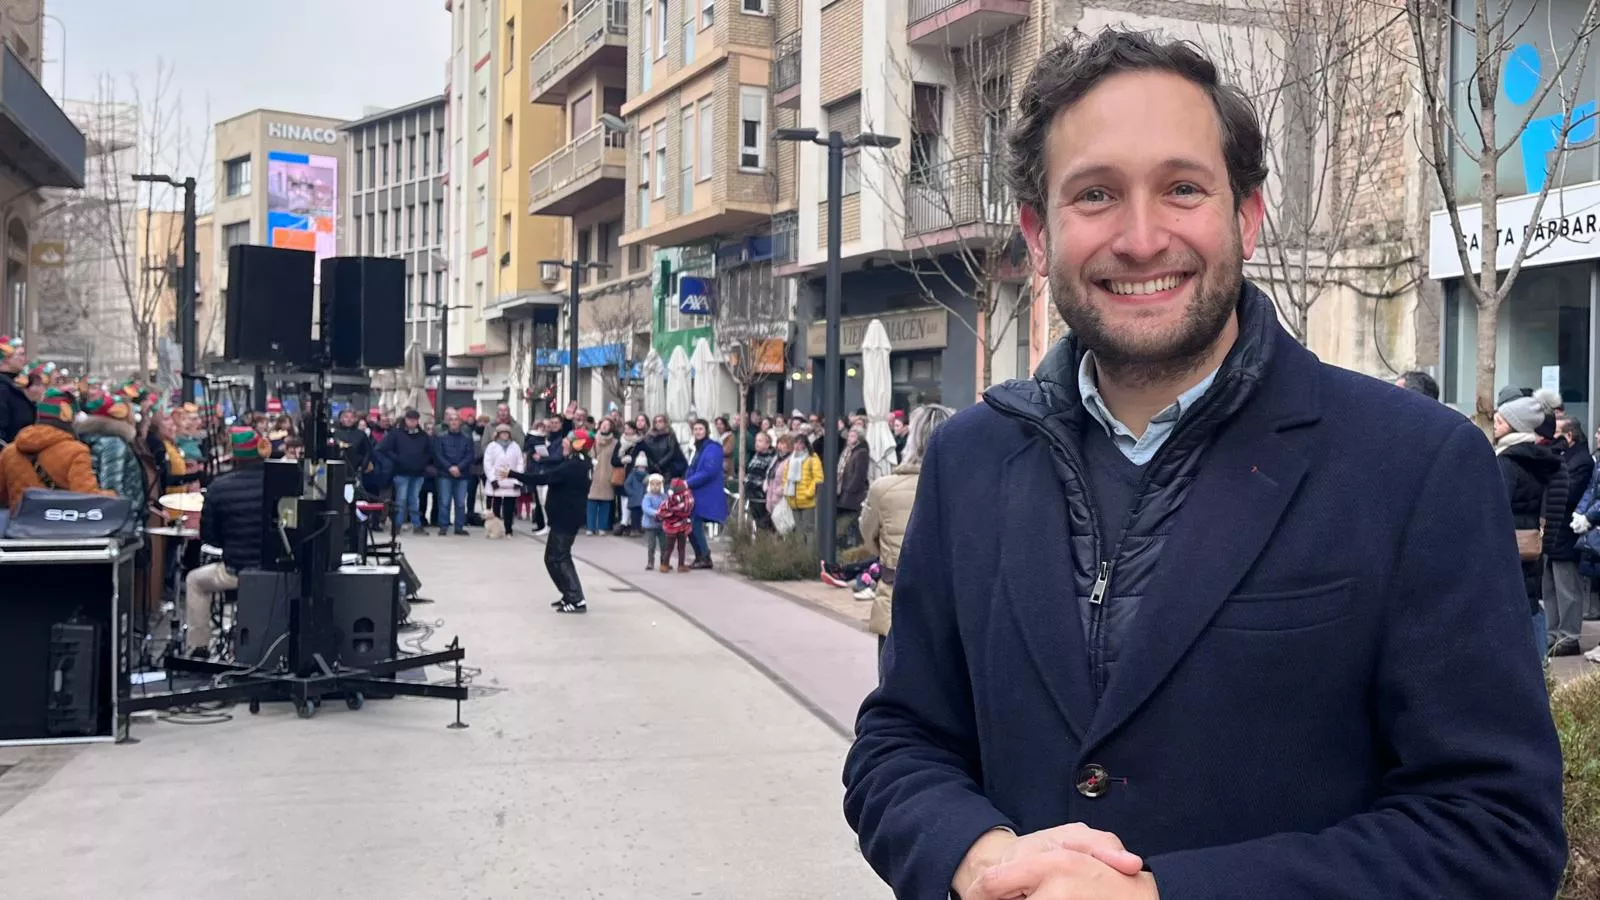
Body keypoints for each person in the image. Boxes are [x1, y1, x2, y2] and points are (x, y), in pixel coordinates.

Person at [843, 29, 1564, 900]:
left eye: (1182, 188)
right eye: (1096, 195)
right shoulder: (972, 459)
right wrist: (985, 858)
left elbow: (1494, 830)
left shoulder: (1414, 467)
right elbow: (902, 740)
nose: (1142, 238)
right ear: (1039, 232)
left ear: (1246, 215)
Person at [858, 404, 954, 674]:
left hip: (895, 601)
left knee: (892, 694)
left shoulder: (883, 489)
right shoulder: (967, 488)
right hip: (951, 609)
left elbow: (868, 538)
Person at [184, 427, 269, 657]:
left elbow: (209, 537)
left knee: (194, 581)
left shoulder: (218, 487)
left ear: (234, 455)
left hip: (236, 571)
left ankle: (198, 648)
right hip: (276, 571)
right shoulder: (284, 481)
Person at [510, 429, 594, 613]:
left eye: (567, 440)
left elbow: (543, 478)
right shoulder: (579, 463)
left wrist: (513, 474)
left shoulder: (573, 466)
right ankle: (569, 594)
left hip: (566, 518)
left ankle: (576, 599)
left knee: (559, 558)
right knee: (553, 558)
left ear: (576, 445)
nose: (563, 443)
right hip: (563, 517)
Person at [0, 387, 103, 511]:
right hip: (58, 527)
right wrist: (113, 496)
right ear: (66, 416)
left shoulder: (10, 451)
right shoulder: (76, 451)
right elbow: (87, 499)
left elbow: (2, 497)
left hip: (19, 527)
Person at [1550, 413, 1593, 656]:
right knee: (1551, 588)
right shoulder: (1562, 457)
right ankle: (1554, 632)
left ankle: (1569, 636)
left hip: (1567, 533)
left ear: (1569, 436)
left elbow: (1569, 493)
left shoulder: (1582, 461)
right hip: (1554, 533)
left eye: (1556, 434)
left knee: (1567, 588)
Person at [76, 396, 147, 513]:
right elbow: (112, 489)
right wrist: (127, 512)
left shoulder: (90, 439)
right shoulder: (113, 444)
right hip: (120, 518)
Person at [376, 409, 433, 534]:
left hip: (418, 473)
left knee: (414, 500)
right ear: (405, 420)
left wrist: (423, 462)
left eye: (414, 420)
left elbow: (429, 452)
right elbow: (382, 448)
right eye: (410, 420)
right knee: (401, 500)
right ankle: (397, 525)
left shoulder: (423, 436)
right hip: (401, 472)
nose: (412, 422)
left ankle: (417, 525)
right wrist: (398, 459)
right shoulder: (396, 433)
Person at [683, 418, 725, 568]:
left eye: (701, 429)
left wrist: (688, 482)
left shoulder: (712, 448)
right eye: (695, 429)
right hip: (696, 492)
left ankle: (704, 557)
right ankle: (700, 556)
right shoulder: (698, 448)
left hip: (706, 493)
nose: (698, 432)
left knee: (693, 523)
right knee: (689, 524)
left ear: (707, 431)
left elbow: (708, 471)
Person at [432, 408, 475, 536]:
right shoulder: (441, 438)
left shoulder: (467, 438)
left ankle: (459, 527)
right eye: (451, 420)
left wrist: (459, 468)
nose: (454, 422)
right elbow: (438, 455)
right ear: (447, 422)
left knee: (460, 502)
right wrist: (450, 467)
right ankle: (443, 526)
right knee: (444, 501)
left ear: (460, 422)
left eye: (456, 420)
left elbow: (470, 455)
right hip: (445, 474)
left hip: (462, 474)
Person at [483, 421, 524, 536]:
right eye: (502, 433)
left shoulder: (515, 446)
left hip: (511, 480)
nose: (505, 435)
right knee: (496, 505)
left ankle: (508, 529)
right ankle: (496, 528)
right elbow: (487, 463)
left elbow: (520, 463)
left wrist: (518, 479)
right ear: (497, 434)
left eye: (507, 433)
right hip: (496, 480)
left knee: (509, 507)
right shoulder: (492, 446)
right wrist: (492, 480)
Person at [0, 336, 34, 444]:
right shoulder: (3, 388)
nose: (25, 359)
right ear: (6, 358)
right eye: (21, 354)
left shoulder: (12, 386)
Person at [657, 476, 695, 573]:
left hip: (674, 525)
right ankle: (671, 565)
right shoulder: (685, 496)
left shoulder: (671, 499)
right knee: (676, 547)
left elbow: (665, 511)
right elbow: (687, 507)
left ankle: (671, 565)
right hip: (679, 525)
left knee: (671, 547)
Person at [641, 472, 666, 570]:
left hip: (662, 525)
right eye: (653, 484)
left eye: (658, 484)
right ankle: (650, 562)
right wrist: (657, 513)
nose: (655, 487)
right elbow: (646, 508)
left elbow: (667, 506)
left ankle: (664, 562)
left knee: (664, 545)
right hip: (651, 525)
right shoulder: (647, 497)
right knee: (651, 545)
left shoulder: (664, 497)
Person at [622, 453, 648, 539]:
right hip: (634, 499)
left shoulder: (646, 477)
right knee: (634, 516)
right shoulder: (632, 475)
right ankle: (634, 529)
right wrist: (631, 493)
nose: (642, 469)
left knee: (640, 515)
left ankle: (638, 529)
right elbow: (626, 484)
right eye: (640, 467)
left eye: (643, 467)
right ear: (636, 467)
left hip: (642, 499)